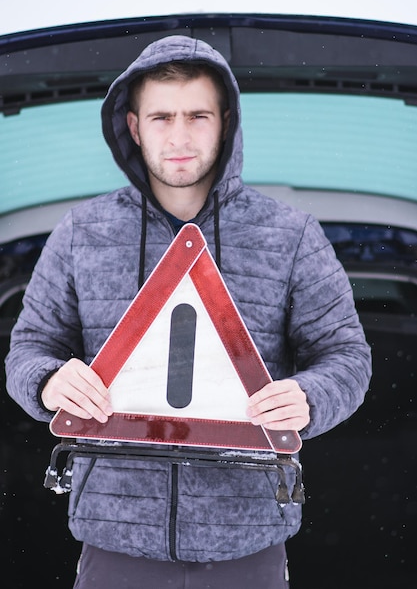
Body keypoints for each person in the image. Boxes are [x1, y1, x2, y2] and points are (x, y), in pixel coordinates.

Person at [5, 35, 372, 589]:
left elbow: (347, 356)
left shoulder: (291, 235)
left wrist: (311, 396)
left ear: (226, 122)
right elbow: (27, 350)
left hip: (247, 539)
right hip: (115, 539)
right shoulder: (82, 233)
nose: (179, 136)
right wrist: (48, 381)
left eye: (198, 115)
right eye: (161, 117)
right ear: (133, 126)